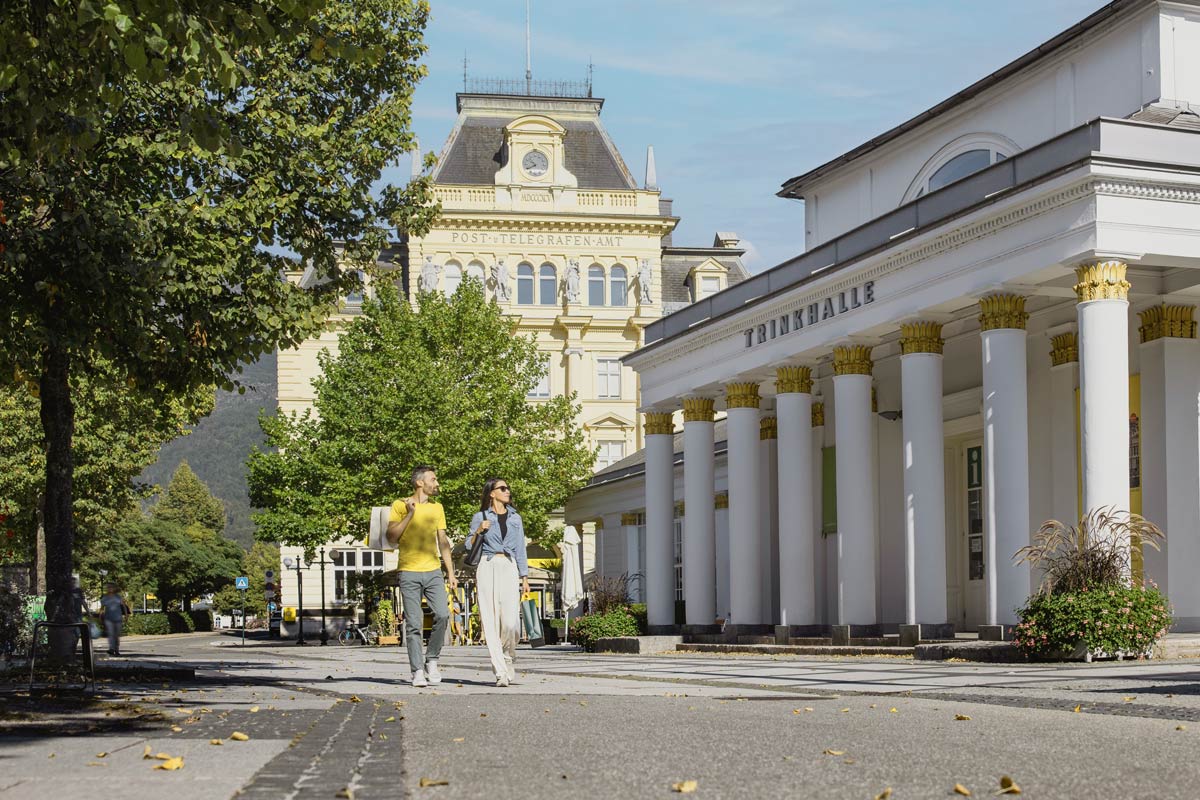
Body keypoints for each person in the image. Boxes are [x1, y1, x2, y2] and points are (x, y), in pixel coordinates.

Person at [387, 465, 456, 687]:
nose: (437, 483)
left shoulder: (438, 508)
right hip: (408, 571)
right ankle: (417, 670)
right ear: (420, 482)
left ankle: (432, 660)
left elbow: (443, 542)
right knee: (414, 624)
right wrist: (410, 513)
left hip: (434, 571)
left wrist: (451, 572)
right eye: (433, 479)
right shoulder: (400, 505)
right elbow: (392, 536)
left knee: (443, 615)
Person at [466, 477, 530, 687]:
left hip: (509, 566)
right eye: (502, 488)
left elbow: (521, 548)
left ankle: (508, 655)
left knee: (511, 622)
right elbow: (468, 545)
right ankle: (500, 670)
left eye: (508, 488)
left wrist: (525, 577)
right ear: (492, 493)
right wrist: (478, 531)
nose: (507, 491)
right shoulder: (480, 516)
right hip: (488, 565)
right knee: (491, 619)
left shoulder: (515, 518)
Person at [99, 583, 129, 656]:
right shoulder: (105, 597)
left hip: (118, 618)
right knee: (111, 634)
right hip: (108, 619)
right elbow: (102, 608)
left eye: (111, 587)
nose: (110, 589)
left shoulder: (118, 597)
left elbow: (124, 606)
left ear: (114, 589)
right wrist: (100, 617)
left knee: (117, 635)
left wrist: (126, 615)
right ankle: (111, 649)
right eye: (108, 588)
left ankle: (117, 650)